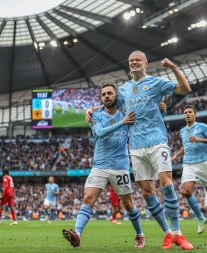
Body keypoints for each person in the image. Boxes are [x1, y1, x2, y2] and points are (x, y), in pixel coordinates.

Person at [86, 51, 193, 250]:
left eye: (138, 60)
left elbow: (184, 89)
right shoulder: (125, 89)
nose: (134, 62)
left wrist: (173, 68)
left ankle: (178, 233)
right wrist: (92, 109)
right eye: (131, 60)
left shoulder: (156, 83)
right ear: (129, 65)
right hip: (135, 146)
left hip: (157, 141)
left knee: (166, 184)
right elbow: (108, 103)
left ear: (146, 63)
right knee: (146, 192)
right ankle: (167, 234)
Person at [63, 83, 145, 249]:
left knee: (128, 204)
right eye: (103, 94)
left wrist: (159, 107)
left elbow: (140, 103)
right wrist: (121, 122)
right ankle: (77, 234)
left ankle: (139, 235)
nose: (106, 96)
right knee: (88, 198)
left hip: (120, 166)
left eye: (109, 93)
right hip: (99, 165)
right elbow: (100, 133)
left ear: (116, 96)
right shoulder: (96, 116)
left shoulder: (125, 112)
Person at [172, 105, 207, 235]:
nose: (187, 114)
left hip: (203, 163)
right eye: (185, 113)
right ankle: (201, 218)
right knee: (186, 191)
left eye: (190, 112)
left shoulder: (202, 127)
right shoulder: (183, 131)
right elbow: (186, 147)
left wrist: (199, 139)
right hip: (188, 164)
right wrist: (176, 156)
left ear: (195, 114)